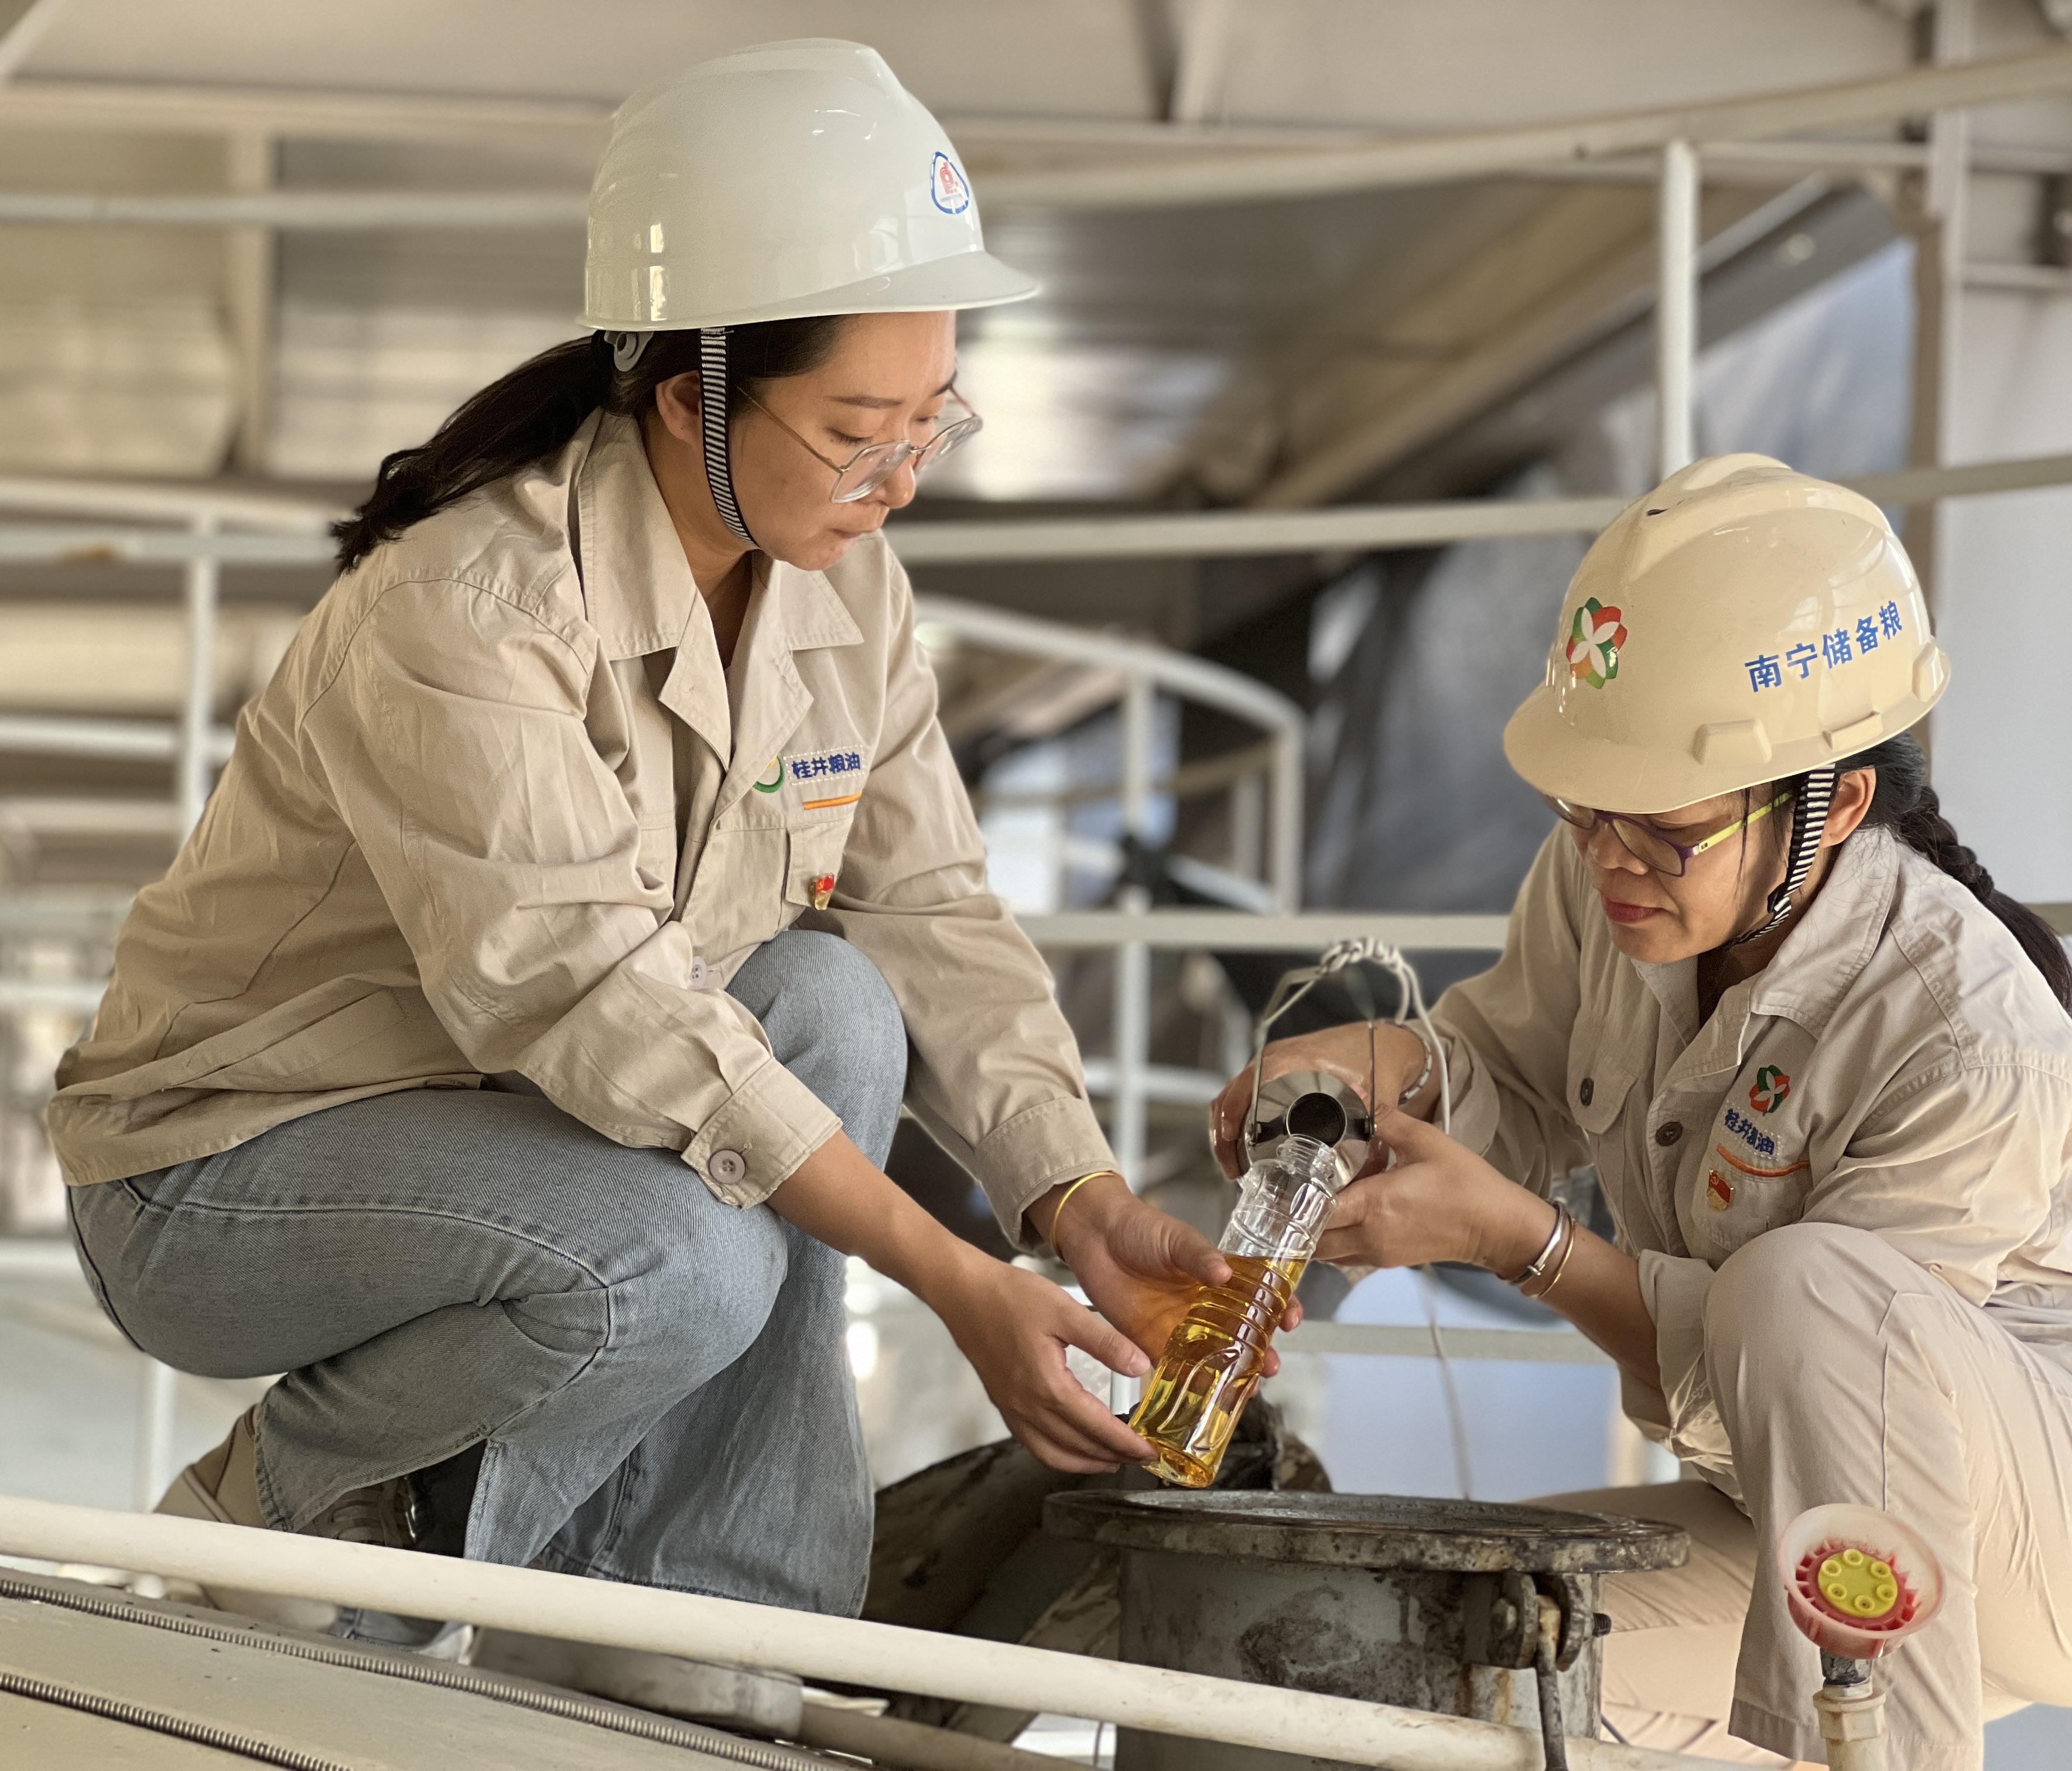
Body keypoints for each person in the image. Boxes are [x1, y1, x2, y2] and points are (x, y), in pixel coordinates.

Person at [48, 39, 1225, 1699]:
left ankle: (696, 1616)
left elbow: (932, 910)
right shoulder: (469, 607)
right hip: (222, 1175)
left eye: (932, 421)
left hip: (513, 1142)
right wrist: (958, 1280)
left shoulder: (847, 591)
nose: (901, 480)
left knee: (831, 998)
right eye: (858, 430)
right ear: (694, 398)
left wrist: (1078, 1203)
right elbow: (602, 1004)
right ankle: (287, 1523)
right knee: (681, 1258)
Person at [1211, 456, 2072, 1768]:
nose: (1608, 854)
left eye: (1664, 825)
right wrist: (1394, 1069)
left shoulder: (1970, 1040)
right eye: (1583, 805)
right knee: (1439, 1644)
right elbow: (1514, 1074)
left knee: (1802, 1288)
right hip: (1789, 1497)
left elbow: (1814, 1365)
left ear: (1836, 803)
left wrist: (1521, 1246)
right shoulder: (1613, 874)